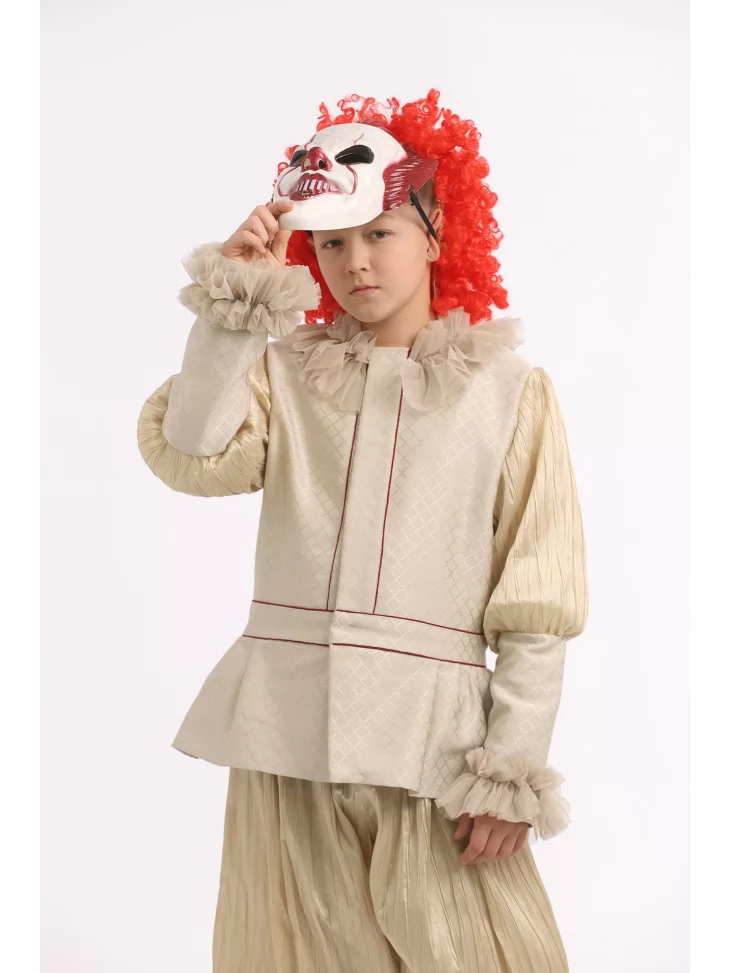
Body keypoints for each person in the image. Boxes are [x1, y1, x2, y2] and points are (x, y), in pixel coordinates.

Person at [137, 89, 588, 972]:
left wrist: (510, 764)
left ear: (437, 232)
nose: (356, 262)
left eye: (379, 232)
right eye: (332, 242)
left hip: (436, 750)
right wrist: (238, 302)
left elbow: (537, 599)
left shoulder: (508, 394)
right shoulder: (283, 376)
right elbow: (195, 448)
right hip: (286, 736)